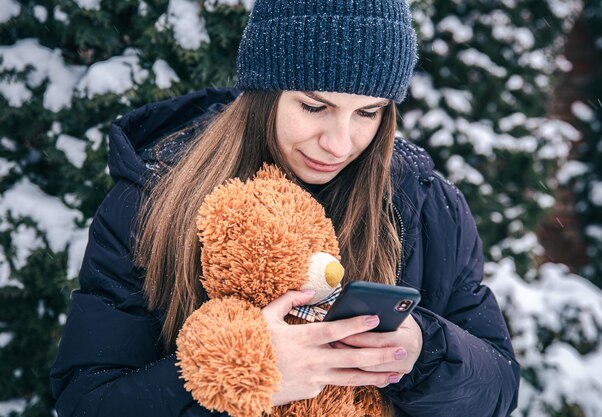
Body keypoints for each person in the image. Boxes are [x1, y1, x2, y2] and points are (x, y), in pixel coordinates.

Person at [51, 0, 520, 416]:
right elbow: (88, 400)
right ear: (264, 94)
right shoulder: (152, 199)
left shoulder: (426, 206)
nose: (339, 143)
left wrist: (424, 350)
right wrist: (244, 377)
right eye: (315, 107)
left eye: (368, 113)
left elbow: (499, 387)